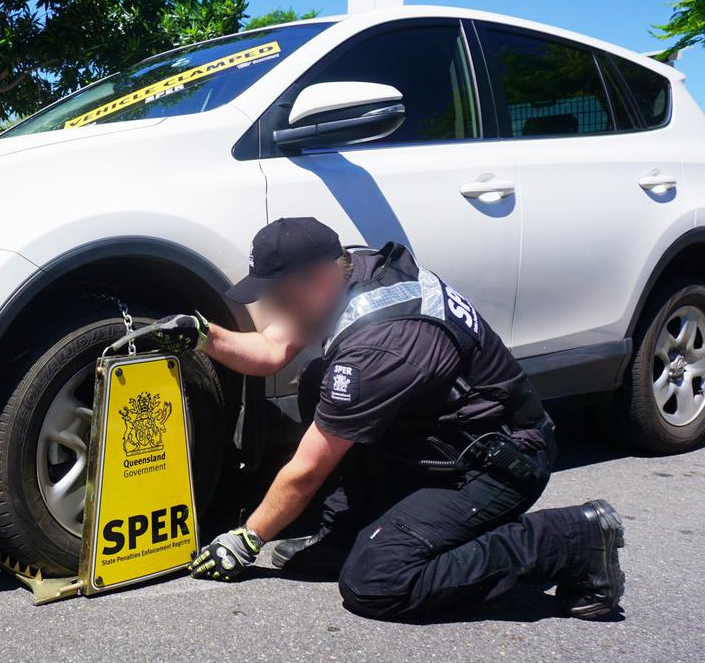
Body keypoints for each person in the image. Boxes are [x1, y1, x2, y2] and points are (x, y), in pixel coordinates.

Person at [143, 217, 625, 621]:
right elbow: (271, 349)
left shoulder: (380, 347)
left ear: (319, 278)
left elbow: (307, 469)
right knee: (319, 382)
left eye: (278, 295)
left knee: (378, 581)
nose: (270, 307)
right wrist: (205, 336)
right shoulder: (352, 271)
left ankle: (573, 540)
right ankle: (348, 532)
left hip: (498, 465)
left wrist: (247, 539)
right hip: (443, 439)